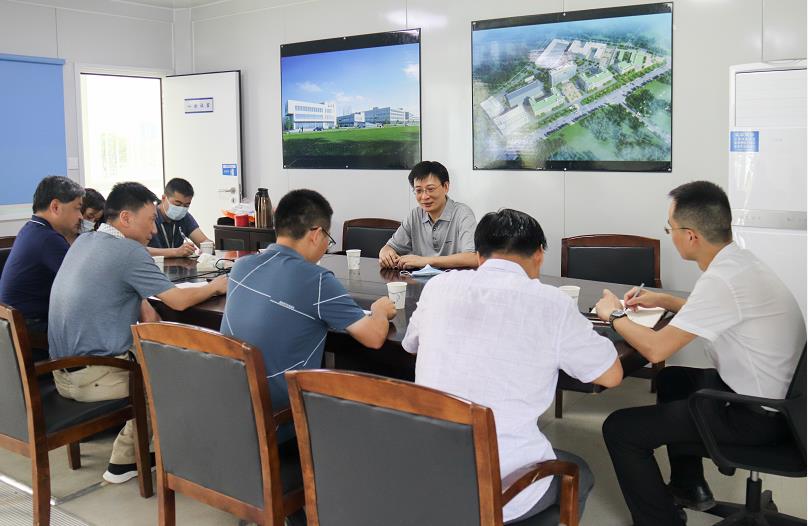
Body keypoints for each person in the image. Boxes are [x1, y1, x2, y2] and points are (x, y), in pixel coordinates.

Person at [594, 181, 806, 526]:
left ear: (690, 235)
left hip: (760, 417)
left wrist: (613, 315)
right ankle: (689, 486)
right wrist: (663, 300)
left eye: (670, 229)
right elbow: (716, 309)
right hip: (785, 405)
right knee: (674, 379)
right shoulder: (739, 263)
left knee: (620, 429)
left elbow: (656, 348)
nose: (670, 236)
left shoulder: (722, 280)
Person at [402, 208, 623, 523]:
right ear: (539, 254)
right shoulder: (553, 303)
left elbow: (411, 345)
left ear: (479, 256)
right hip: (499, 489)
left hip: (427, 470)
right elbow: (611, 375)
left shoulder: (438, 287)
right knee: (580, 472)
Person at [48, 181, 228, 484]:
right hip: (95, 377)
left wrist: (145, 306)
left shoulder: (84, 240)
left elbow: (127, 295)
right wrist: (216, 286)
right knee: (174, 365)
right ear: (126, 218)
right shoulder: (129, 251)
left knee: (156, 348)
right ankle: (127, 459)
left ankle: (154, 443)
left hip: (61, 372)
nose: (154, 229)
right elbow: (177, 301)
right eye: (150, 220)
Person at [221, 189, 396, 442]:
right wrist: (380, 310)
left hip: (231, 410)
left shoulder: (241, 266)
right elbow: (374, 337)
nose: (326, 246)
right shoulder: (317, 279)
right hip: (280, 421)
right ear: (315, 234)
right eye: (328, 238)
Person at [0, 176, 83, 337]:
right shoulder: (48, 239)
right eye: (77, 208)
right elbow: (83, 283)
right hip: (32, 331)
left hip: (15, 328)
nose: (81, 216)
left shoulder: (31, 229)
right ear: (55, 207)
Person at [379, 161, 478, 269]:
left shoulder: (463, 214)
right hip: (419, 279)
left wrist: (425, 261)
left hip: (453, 278)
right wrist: (385, 252)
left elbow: (472, 258)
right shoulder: (415, 215)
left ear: (445, 187)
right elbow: (391, 247)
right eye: (418, 191)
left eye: (430, 189)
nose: (424, 197)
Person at [147, 177, 212, 258]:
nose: (181, 209)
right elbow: (140, 250)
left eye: (186, 205)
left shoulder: (185, 217)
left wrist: (209, 247)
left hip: (177, 265)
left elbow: (203, 241)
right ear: (164, 198)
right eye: (177, 204)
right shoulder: (150, 215)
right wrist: (176, 252)